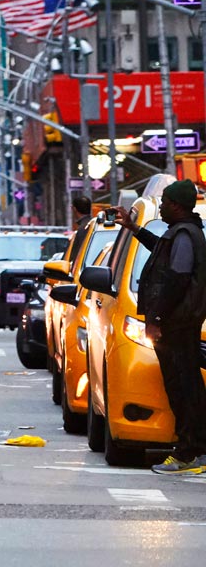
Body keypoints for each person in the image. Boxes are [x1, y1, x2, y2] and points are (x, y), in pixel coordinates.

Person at [119, 183, 206, 476]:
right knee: (186, 387)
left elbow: (178, 278)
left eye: (166, 203)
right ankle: (195, 450)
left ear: (178, 206)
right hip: (180, 323)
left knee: (183, 388)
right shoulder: (182, 233)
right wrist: (134, 228)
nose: (162, 207)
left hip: (178, 325)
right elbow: (160, 249)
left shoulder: (184, 234)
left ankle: (188, 453)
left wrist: (156, 319)